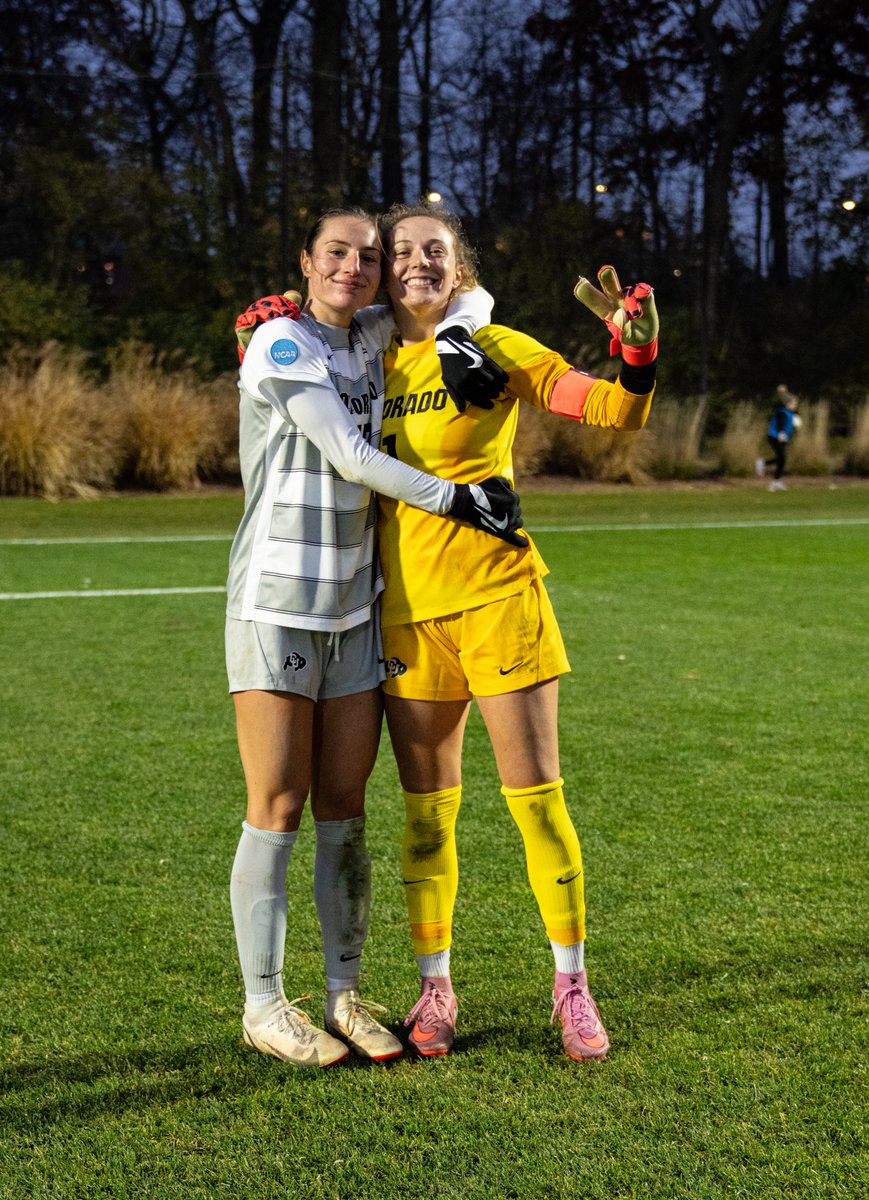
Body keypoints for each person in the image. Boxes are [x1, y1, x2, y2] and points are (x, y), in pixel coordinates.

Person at [227, 206, 520, 1069]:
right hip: (278, 606)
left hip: (356, 608)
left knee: (345, 815)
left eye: (367, 257)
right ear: (306, 263)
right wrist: (459, 499)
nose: (356, 268)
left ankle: (345, 995)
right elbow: (352, 456)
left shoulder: (374, 335)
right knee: (277, 810)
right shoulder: (280, 345)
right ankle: (264, 1005)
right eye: (338, 254)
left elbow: (469, 296)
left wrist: (464, 333)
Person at [374, 202, 658, 1062]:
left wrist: (635, 350)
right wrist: (265, 330)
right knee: (426, 821)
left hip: (500, 596)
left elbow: (609, 409)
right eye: (401, 251)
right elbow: (279, 383)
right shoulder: (359, 354)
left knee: (536, 804)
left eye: (435, 249)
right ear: (384, 269)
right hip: (406, 614)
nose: (417, 262)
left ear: (459, 266)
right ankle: (434, 989)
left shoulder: (493, 344)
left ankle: (571, 985)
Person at [756, 384, 800, 491]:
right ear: (788, 404)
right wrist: (781, 434)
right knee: (782, 458)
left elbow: (787, 426)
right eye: (794, 403)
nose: (796, 405)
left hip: (782, 438)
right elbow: (781, 424)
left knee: (781, 459)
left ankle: (776, 481)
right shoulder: (783, 412)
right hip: (775, 437)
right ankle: (763, 465)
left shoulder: (789, 413)